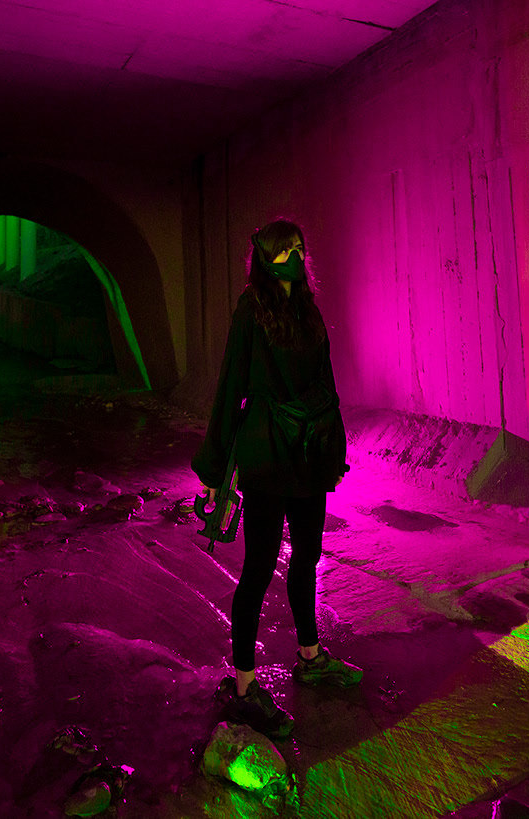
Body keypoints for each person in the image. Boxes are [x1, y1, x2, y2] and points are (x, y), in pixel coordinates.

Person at [192, 219, 361, 740]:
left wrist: (334, 443)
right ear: (264, 258)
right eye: (281, 249)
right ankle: (244, 688)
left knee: (308, 555)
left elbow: (327, 383)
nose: (291, 254)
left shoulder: (307, 309)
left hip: (309, 453)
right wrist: (214, 469)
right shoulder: (252, 309)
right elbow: (230, 387)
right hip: (266, 452)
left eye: (297, 247)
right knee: (260, 568)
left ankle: (309, 655)